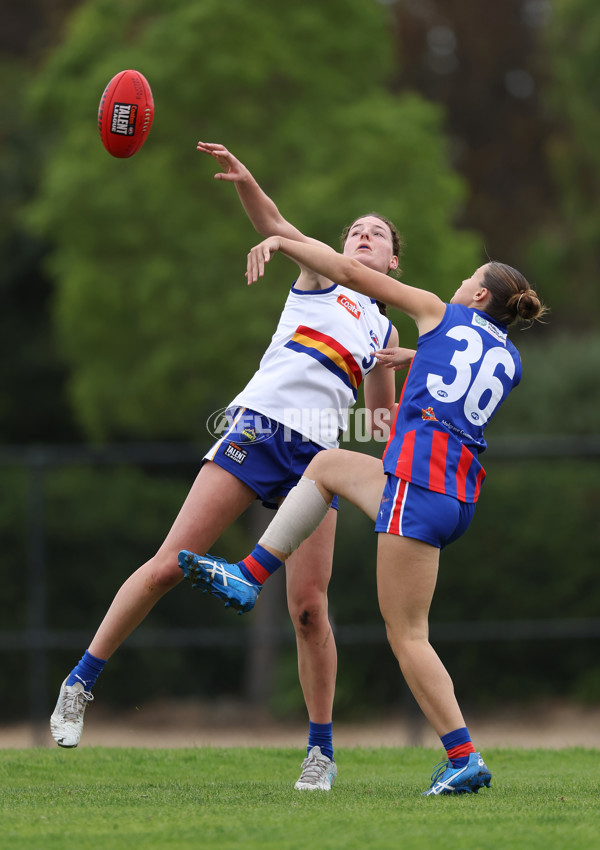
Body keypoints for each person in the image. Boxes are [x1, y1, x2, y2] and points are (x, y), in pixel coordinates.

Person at [50, 142, 412, 792]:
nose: (362, 235)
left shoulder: (384, 334)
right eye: (355, 229)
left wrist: (406, 367)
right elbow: (275, 227)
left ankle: (320, 753)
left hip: (319, 462)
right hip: (261, 428)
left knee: (308, 609)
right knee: (167, 565)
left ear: (392, 261)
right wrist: (248, 183)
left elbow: (383, 429)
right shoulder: (326, 274)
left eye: (375, 234)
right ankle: (80, 681)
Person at [180, 233, 548, 795]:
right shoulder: (511, 358)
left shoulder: (439, 312)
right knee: (327, 466)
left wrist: (288, 242)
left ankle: (463, 755)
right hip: (456, 495)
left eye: (469, 279)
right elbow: (446, 394)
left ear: (476, 296)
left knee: (408, 637)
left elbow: (353, 277)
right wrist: (416, 357)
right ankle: (248, 574)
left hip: (416, 483)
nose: (458, 285)